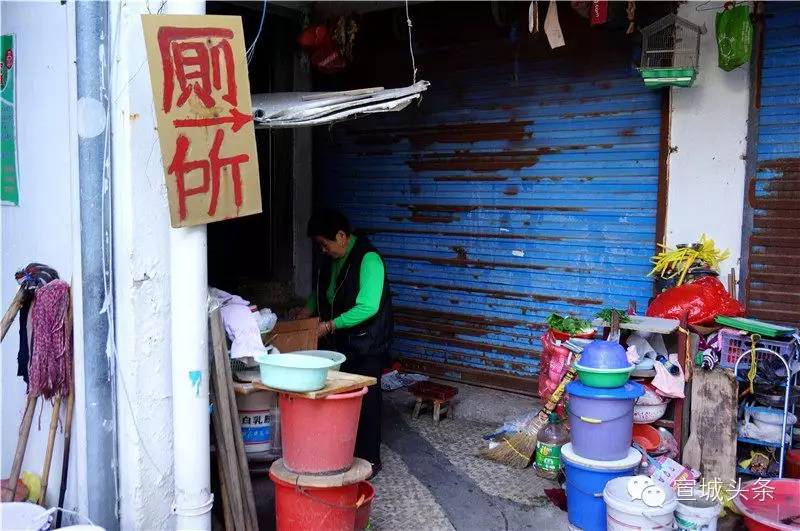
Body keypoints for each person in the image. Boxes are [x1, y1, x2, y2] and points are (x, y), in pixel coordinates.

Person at [295, 208, 393, 475]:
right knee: (342, 400)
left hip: (367, 344)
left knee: (367, 401)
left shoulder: (368, 259)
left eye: (324, 244)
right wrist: (307, 310)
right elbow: (323, 291)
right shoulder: (332, 258)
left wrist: (329, 325)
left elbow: (368, 307)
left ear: (341, 236)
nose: (323, 250)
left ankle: (370, 460)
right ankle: (344, 455)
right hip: (342, 343)